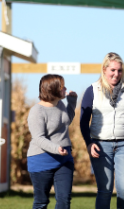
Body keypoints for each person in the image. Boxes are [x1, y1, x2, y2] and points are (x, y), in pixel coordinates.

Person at [79, 53, 124, 209]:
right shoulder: (92, 90)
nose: (116, 74)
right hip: (100, 146)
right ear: (104, 69)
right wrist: (89, 143)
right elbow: (83, 121)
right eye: (113, 70)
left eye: (119, 70)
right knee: (105, 190)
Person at [27, 74, 77, 209]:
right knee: (41, 202)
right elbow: (38, 138)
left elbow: (65, 121)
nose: (65, 88)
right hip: (41, 160)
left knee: (64, 201)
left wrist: (72, 102)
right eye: (62, 87)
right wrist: (56, 148)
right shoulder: (37, 111)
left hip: (64, 159)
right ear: (52, 89)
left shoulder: (60, 104)